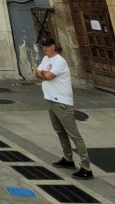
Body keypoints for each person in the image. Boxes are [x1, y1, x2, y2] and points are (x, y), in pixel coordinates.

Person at [35, 35, 92, 179]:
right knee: (60, 131)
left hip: (62, 102)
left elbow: (48, 76)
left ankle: (86, 167)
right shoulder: (46, 59)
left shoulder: (60, 61)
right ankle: (68, 159)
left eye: (48, 46)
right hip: (50, 100)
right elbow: (37, 73)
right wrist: (43, 74)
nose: (45, 49)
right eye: (43, 46)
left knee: (74, 135)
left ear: (54, 46)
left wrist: (43, 74)